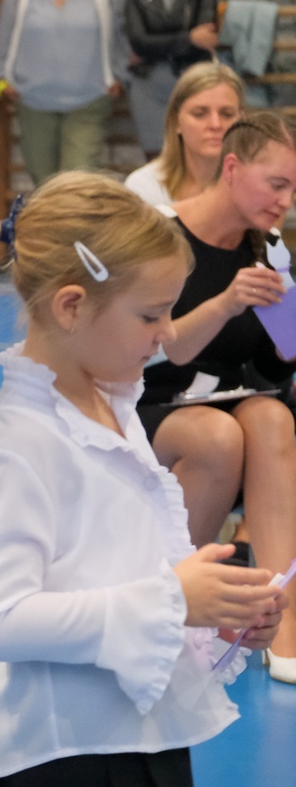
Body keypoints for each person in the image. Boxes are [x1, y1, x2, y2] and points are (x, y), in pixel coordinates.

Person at [0, 172, 287, 785]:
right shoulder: (17, 443)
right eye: (151, 314)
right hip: (67, 753)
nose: (169, 332)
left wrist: (213, 614)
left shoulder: (112, 405)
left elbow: (121, 568)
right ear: (71, 306)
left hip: (146, 735)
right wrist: (173, 600)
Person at [132, 110, 296, 683]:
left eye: (293, 188)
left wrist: (289, 335)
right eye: (276, 184)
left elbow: (272, 369)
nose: (285, 201)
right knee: (217, 436)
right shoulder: (158, 233)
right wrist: (226, 303)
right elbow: (154, 349)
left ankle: (281, 623)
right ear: (232, 168)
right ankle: (179, 604)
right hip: (149, 405)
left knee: (273, 418)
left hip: (233, 401)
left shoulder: (269, 249)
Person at [0, 0, 130, 186]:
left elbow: (123, 38)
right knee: (44, 184)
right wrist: (0, 83)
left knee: (75, 184)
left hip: (89, 100)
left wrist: (120, 77)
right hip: (33, 101)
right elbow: (3, 42)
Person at [125, 0, 220, 159]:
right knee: (156, 162)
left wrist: (156, 45)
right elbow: (139, 43)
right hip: (149, 87)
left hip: (193, 84)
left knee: (195, 158)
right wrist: (189, 38)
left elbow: (205, 41)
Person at [125, 62, 243, 206]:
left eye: (227, 114)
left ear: (241, 119)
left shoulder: (257, 184)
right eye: (199, 114)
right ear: (175, 121)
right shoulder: (144, 187)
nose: (215, 124)